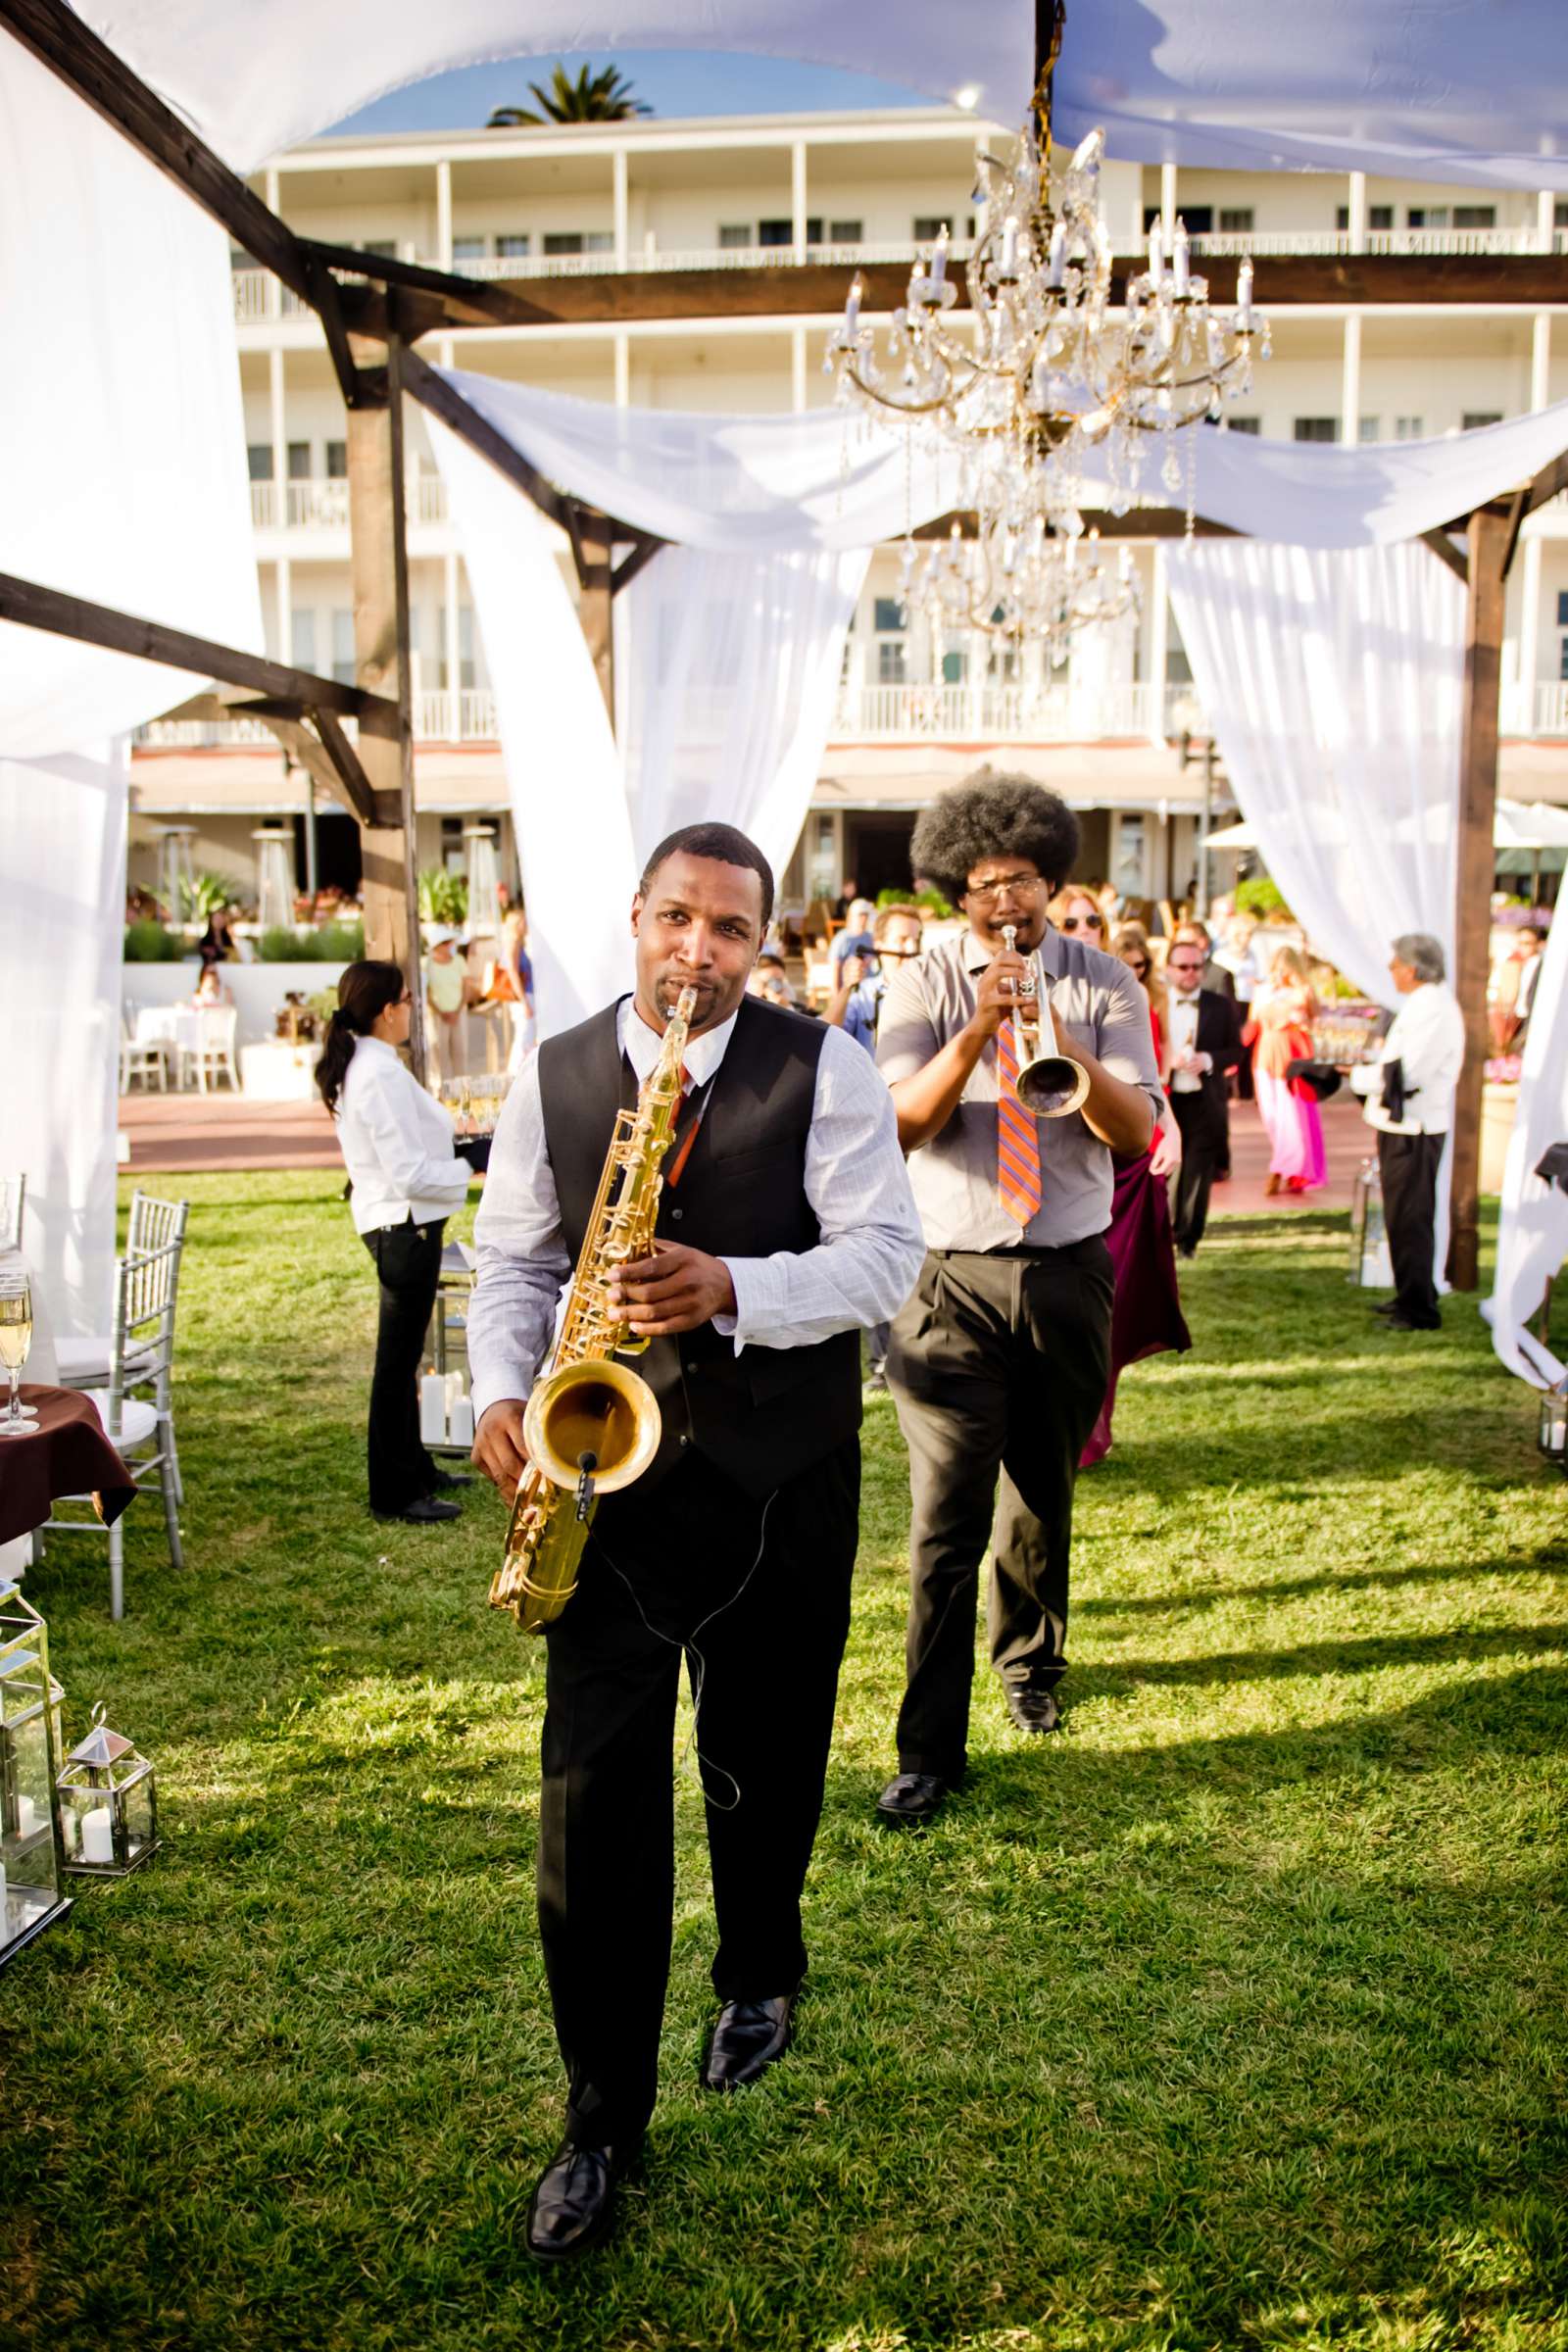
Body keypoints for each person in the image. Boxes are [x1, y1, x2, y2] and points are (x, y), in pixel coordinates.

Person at [466, 820, 923, 2262]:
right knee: (594, 1800)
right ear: (636, 919)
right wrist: (495, 1388)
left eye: (730, 931)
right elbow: (517, 1262)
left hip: (781, 1478)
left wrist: (732, 1281)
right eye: (677, 921)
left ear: (764, 939)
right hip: (601, 1480)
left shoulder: (823, 1066)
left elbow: (886, 1258)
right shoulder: (554, 1071)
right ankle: (600, 2121)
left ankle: (759, 1969)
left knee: (767, 1759)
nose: (699, 954)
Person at [873, 773, 1161, 1827]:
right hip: (945, 1279)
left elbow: (1135, 1134)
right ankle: (926, 1751)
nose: (1010, 902)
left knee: (1041, 1487)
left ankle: (1030, 1664)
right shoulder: (915, 986)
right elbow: (899, 1124)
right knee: (944, 1521)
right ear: (958, 892)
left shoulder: (1105, 981)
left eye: (1028, 882)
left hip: (1066, 1271)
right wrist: (976, 1030)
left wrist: (1059, 1040)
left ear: (1053, 879)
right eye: (990, 885)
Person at [317, 960, 474, 1526]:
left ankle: (416, 1468)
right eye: (408, 999)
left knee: (403, 1361)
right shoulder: (375, 1073)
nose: (412, 1008)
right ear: (388, 1010)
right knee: (396, 1363)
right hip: (403, 1226)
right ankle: (394, 1491)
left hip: (405, 1223)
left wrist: (460, 1152)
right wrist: (468, 1168)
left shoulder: (373, 1063)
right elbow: (407, 1172)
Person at [1082, 928, 1189, 1466]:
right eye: (1072, 921)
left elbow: (1153, 1082)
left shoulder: (1130, 991)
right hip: (1066, 1158)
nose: (1082, 931)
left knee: (1114, 1299)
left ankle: (1092, 1426)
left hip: (1128, 1156)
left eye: (1090, 922)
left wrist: (1170, 1130)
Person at [1350, 932, 1466, 1331]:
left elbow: (1408, 1073)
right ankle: (1411, 1293)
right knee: (1402, 1216)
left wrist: (1356, 1077)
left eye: (1395, 964)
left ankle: (1418, 1309)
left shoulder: (1433, 1009)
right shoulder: (1422, 1004)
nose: (1390, 970)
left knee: (1411, 1217)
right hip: (1402, 1123)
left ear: (1413, 969)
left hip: (1415, 1128)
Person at [1163, 924, 1246, 1256]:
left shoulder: (1220, 1005)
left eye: (1197, 966)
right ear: (1169, 969)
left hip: (1204, 1100)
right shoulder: (1155, 1004)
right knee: (1169, 1171)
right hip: (1166, 1100)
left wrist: (1208, 1059)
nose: (1191, 973)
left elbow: (1236, 1050)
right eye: (1183, 967)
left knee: (1198, 1172)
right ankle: (1162, 1233)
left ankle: (1189, 1240)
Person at [1250, 945, 1327, 1199]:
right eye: (1277, 968)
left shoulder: (1302, 992)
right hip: (1266, 1055)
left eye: (1286, 969)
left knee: (1294, 1119)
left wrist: (1300, 1009)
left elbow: (1315, 1018)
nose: (1281, 974)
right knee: (1272, 1118)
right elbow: (1251, 1027)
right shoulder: (1262, 992)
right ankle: (1287, 1165)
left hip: (1293, 1058)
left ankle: (1285, 1168)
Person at [825, 904, 924, 1052]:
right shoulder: (862, 994)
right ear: (879, 946)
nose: (912, 949)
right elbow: (826, 1037)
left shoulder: (930, 993)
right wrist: (846, 989)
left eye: (916, 941)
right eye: (902, 940)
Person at [423, 925, 468, 1082]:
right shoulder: (427, 964)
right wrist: (439, 1011)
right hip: (437, 1014)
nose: (450, 945)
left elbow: (466, 988)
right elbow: (427, 992)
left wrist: (457, 1011)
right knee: (438, 1052)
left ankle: (462, 1089)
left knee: (460, 1051)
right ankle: (440, 1090)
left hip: (458, 1012)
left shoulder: (459, 961)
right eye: (446, 942)